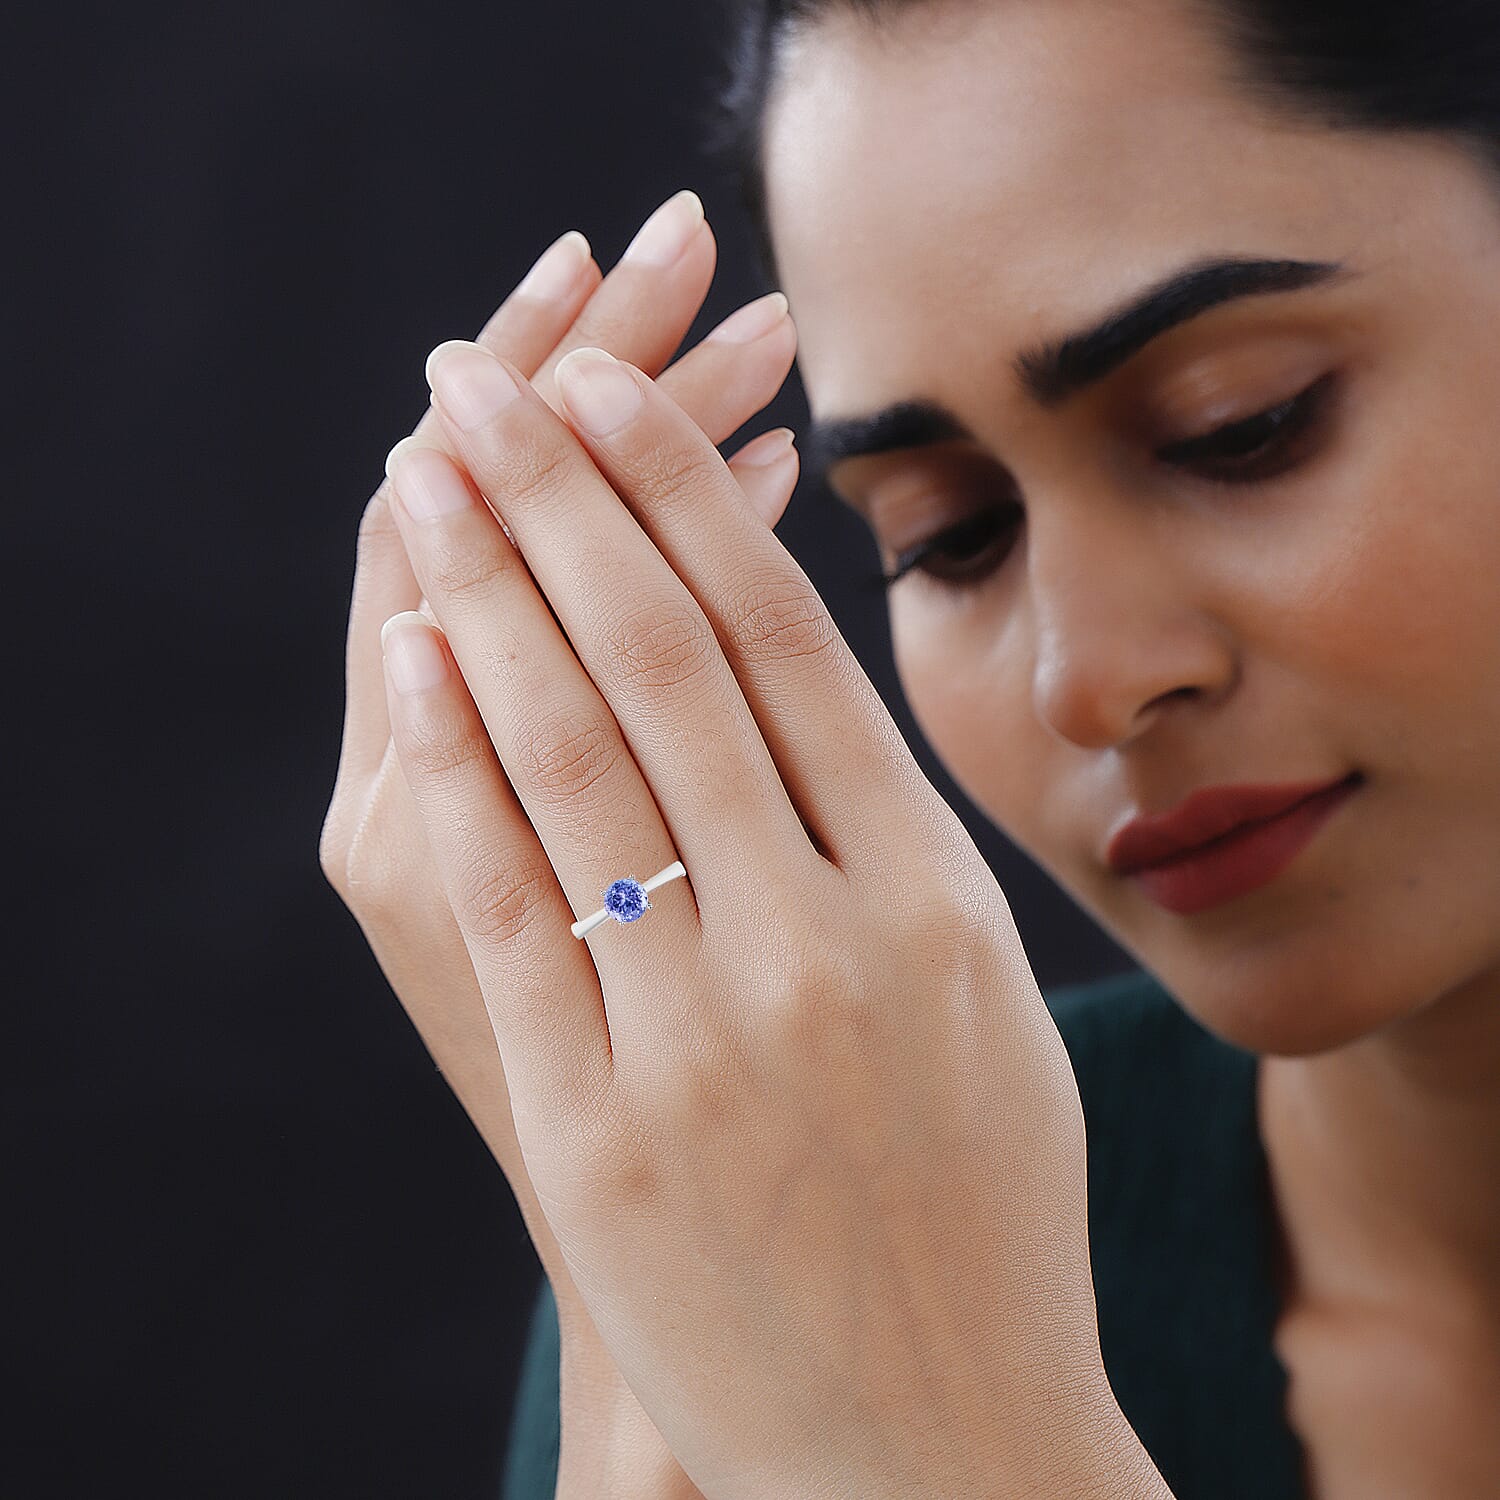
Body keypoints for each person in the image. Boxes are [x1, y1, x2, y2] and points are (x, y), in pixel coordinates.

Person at [321, 0, 1500, 1495]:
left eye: (1239, 428)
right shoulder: (813, 1198)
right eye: (949, 538)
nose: (1084, 679)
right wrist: (635, 1269)